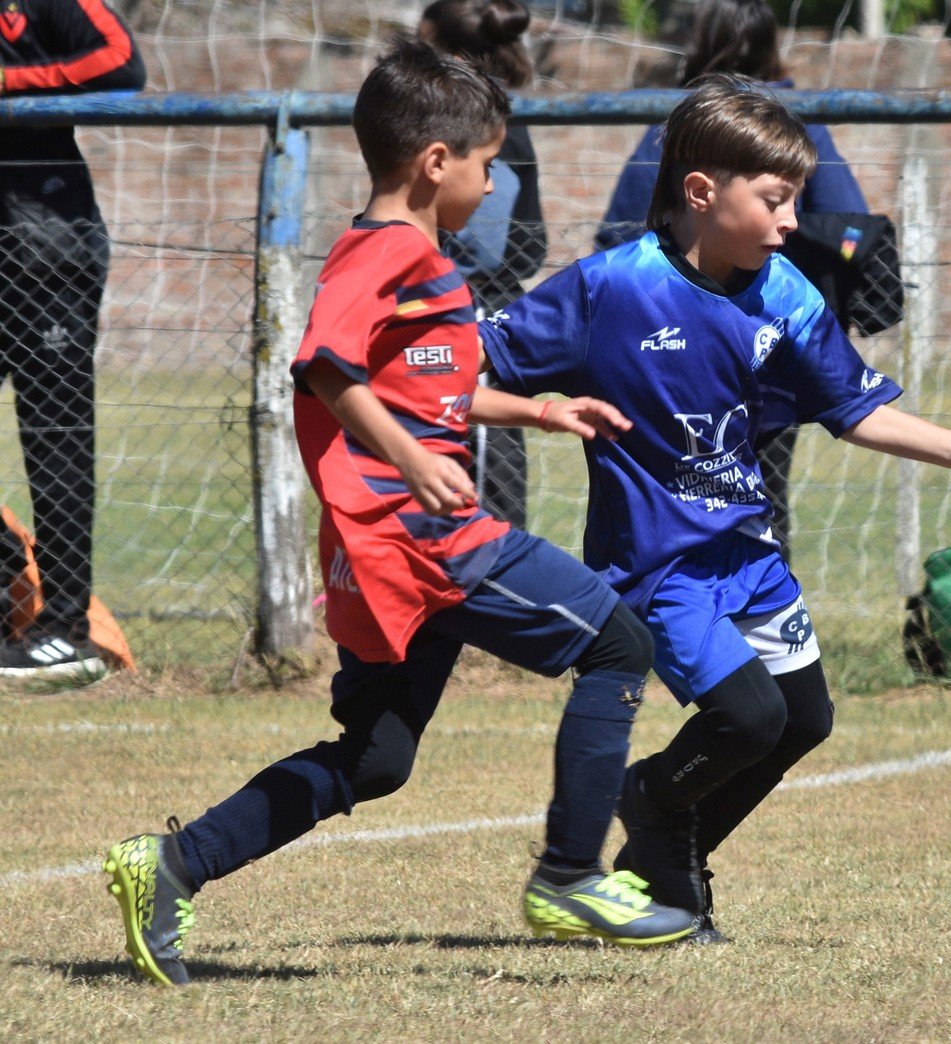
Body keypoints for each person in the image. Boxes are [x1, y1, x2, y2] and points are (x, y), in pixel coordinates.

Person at [102, 40, 697, 988]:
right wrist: (417, 463)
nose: (495, 181)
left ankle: (173, 865)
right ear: (435, 162)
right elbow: (326, 367)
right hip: (421, 536)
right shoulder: (384, 253)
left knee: (375, 758)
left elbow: (422, 389)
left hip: (387, 546)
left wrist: (537, 408)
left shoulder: (416, 258)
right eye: (488, 163)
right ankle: (572, 874)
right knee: (618, 645)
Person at [481, 74, 951, 941]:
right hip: (659, 565)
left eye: (793, 198)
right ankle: (655, 808)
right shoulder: (609, 291)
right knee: (745, 717)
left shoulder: (785, 292)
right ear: (700, 193)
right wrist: (476, 413)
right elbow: (467, 363)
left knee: (801, 721)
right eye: (774, 199)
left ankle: (656, 851)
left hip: (747, 555)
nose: (793, 220)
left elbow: (853, 407)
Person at [593, 0, 872, 560]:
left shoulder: (679, 127)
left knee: (658, 492)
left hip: (664, 357)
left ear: (700, 41)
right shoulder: (796, 120)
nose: (784, 216)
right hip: (765, 358)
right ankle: (760, 627)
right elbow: (856, 229)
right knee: (762, 490)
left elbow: (617, 236)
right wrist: (819, 257)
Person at [0, 0, 144, 678]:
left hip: (47, 249)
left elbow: (122, 62)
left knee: (55, 434)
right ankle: (8, 580)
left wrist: (11, 87)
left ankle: (63, 629)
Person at [420, 0, 545, 531]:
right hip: (449, 304)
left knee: (487, 451)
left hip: (476, 311)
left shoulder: (488, 132)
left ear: (451, 57)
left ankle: (496, 561)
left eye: (423, 49)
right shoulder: (450, 124)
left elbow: (516, 245)